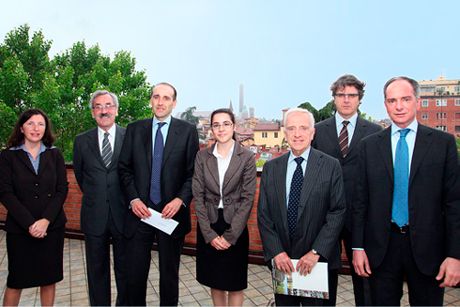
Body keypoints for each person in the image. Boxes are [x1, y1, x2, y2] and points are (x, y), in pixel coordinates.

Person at [352, 76, 460, 306]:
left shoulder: (443, 144)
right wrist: (358, 247)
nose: (399, 106)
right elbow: (360, 202)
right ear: (385, 105)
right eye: (392, 100)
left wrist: (455, 255)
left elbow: (454, 204)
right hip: (381, 250)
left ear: (418, 102)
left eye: (405, 99)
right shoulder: (369, 146)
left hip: (428, 250)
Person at [118, 82, 199, 306]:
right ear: (151, 100)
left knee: (169, 277)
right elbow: (124, 169)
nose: (160, 102)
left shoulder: (187, 131)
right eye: (156, 97)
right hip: (140, 215)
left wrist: (180, 200)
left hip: (170, 216)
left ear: (174, 102)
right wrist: (133, 199)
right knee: (135, 277)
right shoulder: (134, 129)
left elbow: (193, 174)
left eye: (166, 98)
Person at [257, 108, 346, 306]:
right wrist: (277, 252)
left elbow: (337, 211)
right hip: (283, 262)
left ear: (312, 132)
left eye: (303, 128)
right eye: (292, 128)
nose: (297, 134)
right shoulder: (271, 168)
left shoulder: (331, 166)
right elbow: (264, 215)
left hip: (318, 263)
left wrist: (316, 252)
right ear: (284, 132)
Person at [312, 74, 381, 306]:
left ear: (360, 99)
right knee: (323, 277)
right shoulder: (317, 131)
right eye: (341, 95)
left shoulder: (374, 132)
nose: (346, 100)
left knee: (363, 276)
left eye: (352, 95)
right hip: (324, 216)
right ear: (334, 98)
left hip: (359, 216)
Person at [0, 109, 68, 306]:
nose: (36, 128)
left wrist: (45, 221)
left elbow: (61, 190)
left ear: (46, 129)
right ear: (21, 128)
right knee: (16, 281)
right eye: (30, 123)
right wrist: (30, 224)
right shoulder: (7, 156)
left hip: (52, 229)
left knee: (49, 279)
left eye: (40, 124)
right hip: (20, 230)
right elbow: (5, 193)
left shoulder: (55, 154)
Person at [192, 108, 256, 306]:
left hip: (234, 226)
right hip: (209, 225)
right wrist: (209, 235)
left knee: (235, 283)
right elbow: (198, 196)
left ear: (234, 126)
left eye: (226, 124)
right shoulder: (202, 157)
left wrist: (230, 236)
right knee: (216, 281)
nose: (221, 129)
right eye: (216, 125)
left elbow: (247, 199)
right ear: (211, 128)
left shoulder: (246, 157)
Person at [73, 90, 127, 306]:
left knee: (125, 269)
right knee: (96, 271)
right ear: (92, 111)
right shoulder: (81, 141)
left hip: (124, 215)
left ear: (116, 109)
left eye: (108, 105)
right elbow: (80, 175)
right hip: (94, 216)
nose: (103, 110)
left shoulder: (130, 136)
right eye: (98, 106)